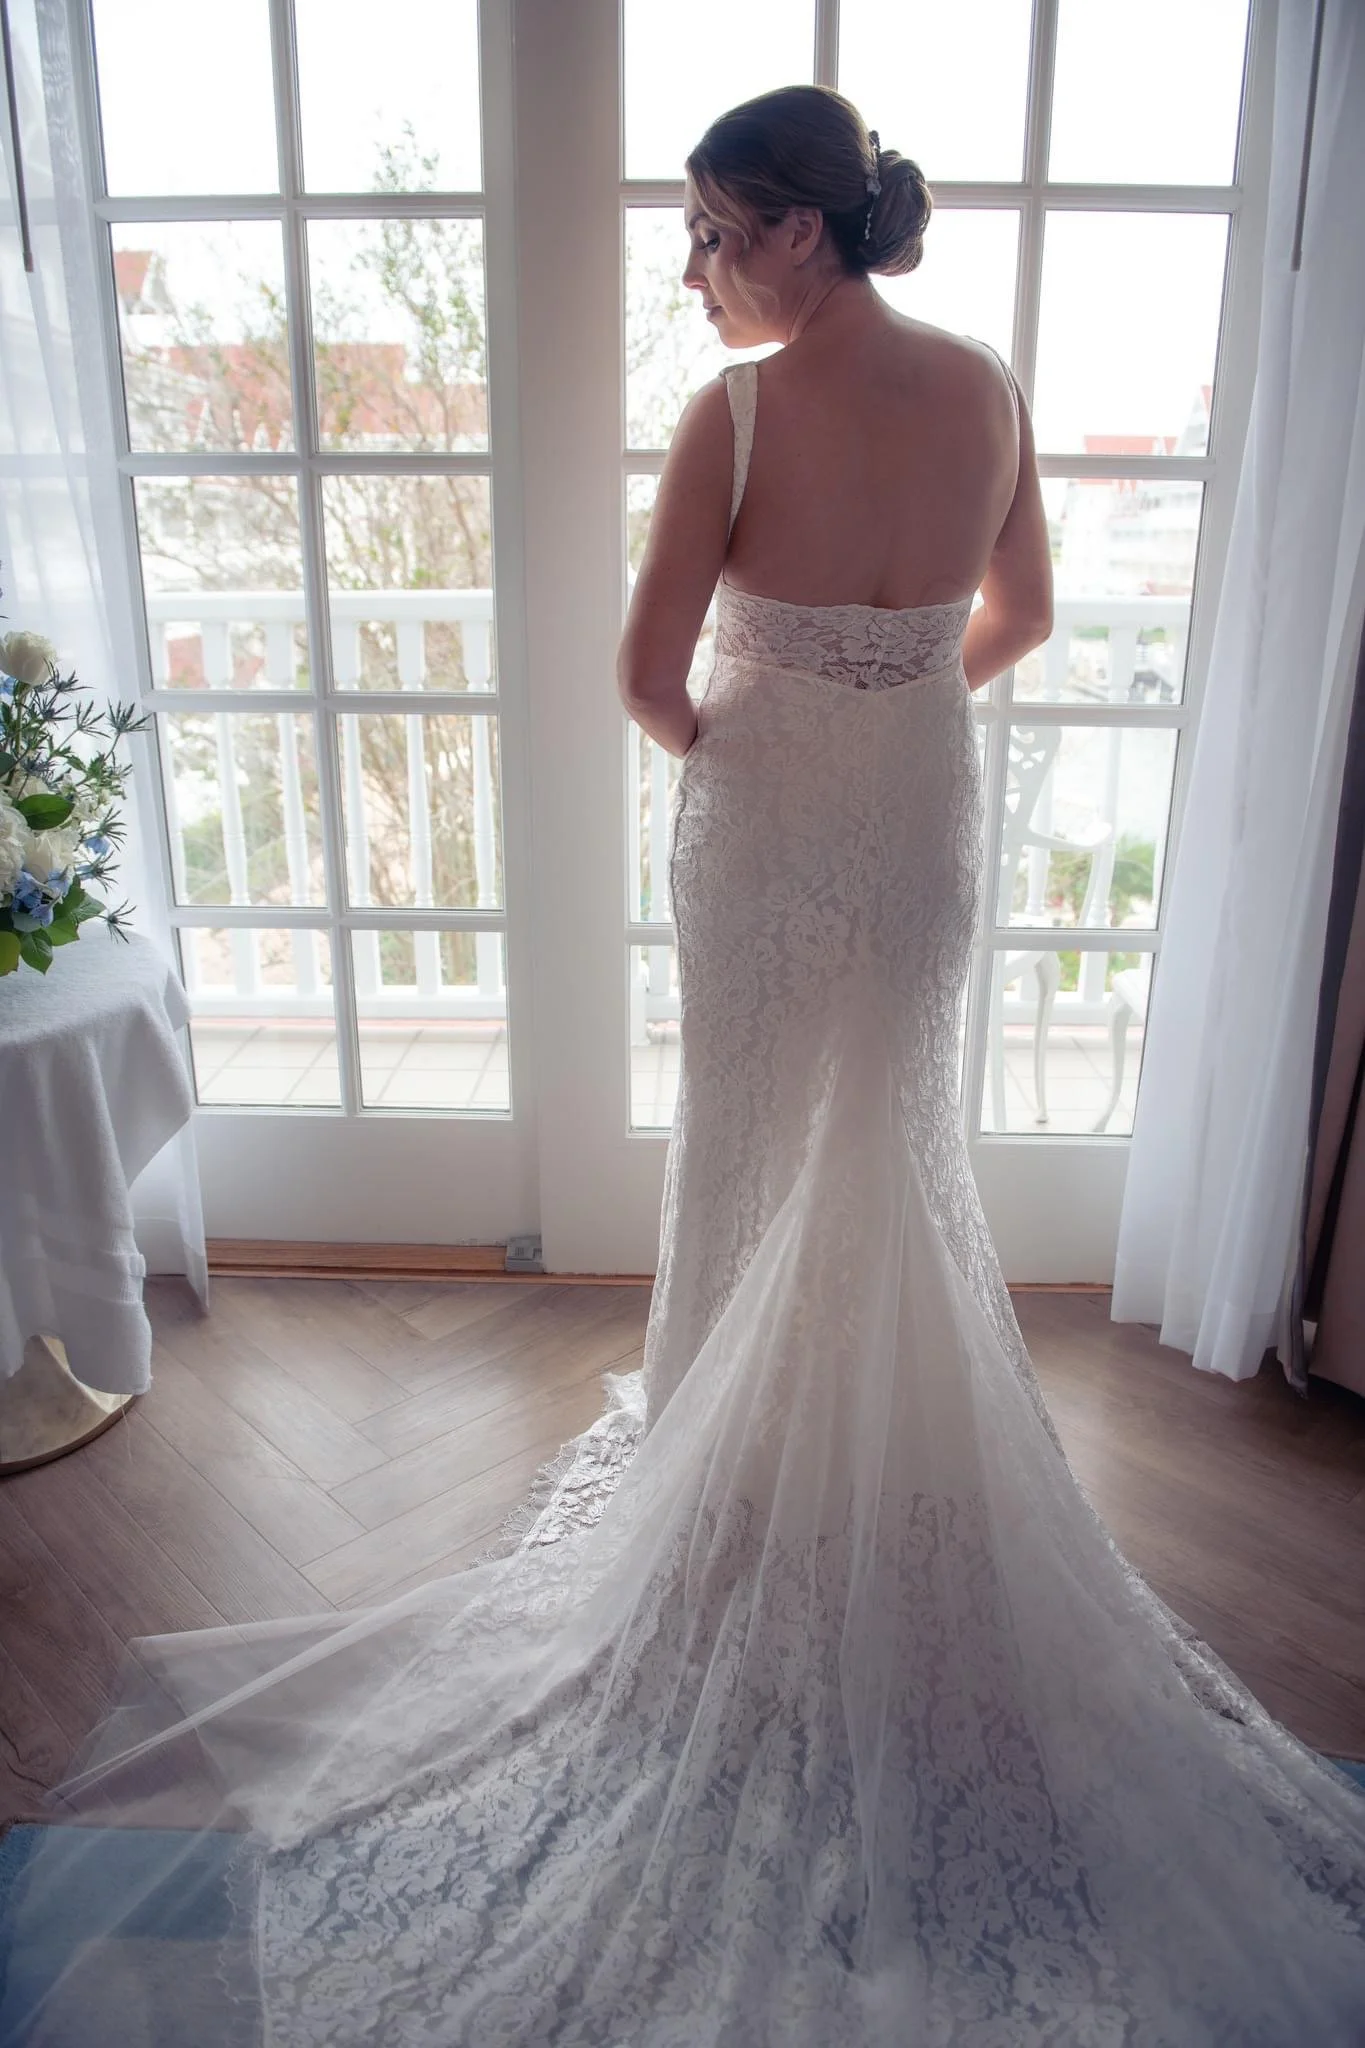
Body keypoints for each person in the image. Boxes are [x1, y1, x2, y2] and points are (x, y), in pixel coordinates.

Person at [5, 84, 1365, 2048]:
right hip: (917, 828)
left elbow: (651, 682)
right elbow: (1029, 615)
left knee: (753, 1154)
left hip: (773, 832)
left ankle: (734, 1507)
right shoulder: (986, 382)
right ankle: (857, 1471)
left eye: (718, 230)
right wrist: (887, 699)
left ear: (805, 232)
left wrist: (774, 724)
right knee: (884, 1154)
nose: (698, 264)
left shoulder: (733, 417)